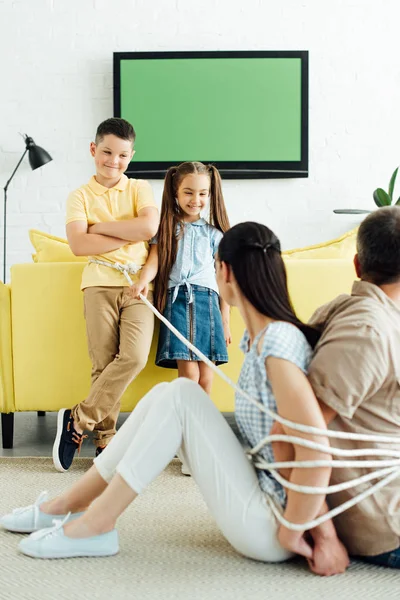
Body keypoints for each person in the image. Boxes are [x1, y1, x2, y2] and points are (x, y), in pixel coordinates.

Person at [1, 222, 349, 576]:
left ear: (224, 271)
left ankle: (96, 524)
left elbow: (315, 450)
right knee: (171, 392)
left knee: (182, 395)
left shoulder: (277, 342)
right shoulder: (262, 340)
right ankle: (68, 505)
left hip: (270, 525)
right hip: (262, 503)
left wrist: (296, 532)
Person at [53, 117, 159, 472]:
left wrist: (100, 228)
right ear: (93, 150)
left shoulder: (140, 189)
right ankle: (106, 441)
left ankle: (77, 420)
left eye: (123, 155)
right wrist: (130, 234)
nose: (114, 161)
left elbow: (149, 227)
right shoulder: (79, 196)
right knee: (102, 363)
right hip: (98, 284)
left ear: (132, 156)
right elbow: (79, 245)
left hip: (139, 288)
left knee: (133, 356)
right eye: (107, 152)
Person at [130, 161, 231, 398]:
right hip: (178, 303)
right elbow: (153, 261)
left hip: (208, 304)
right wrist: (143, 281)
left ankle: (200, 425)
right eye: (188, 192)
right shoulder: (165, 228)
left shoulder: (215, 234)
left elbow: (224, 278)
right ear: (175, 192)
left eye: (202, 193)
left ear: (210, 194)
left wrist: (225, 319)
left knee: (206, 378)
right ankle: (184, 424)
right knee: (190, 376)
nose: (195, 199)